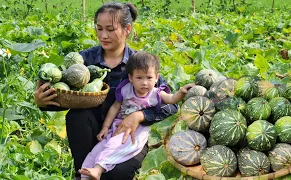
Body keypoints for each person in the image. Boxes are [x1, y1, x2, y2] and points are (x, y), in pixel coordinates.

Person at [34, 2, 179, 179]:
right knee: (76, 116)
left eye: (110, 29)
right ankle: (83, 174)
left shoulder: (141, 64)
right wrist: (44, 102)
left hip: (127, 136)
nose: (103, 35)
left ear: (127, 29)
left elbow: (171, 106)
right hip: (94, 131)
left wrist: (140, 116)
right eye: (99, 28)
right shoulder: (84, 60)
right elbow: (66, 94)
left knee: (115, 174)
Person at [78, 51, 194, 180]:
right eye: (139, 78)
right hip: (118, 126)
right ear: (131, 78)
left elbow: (172, 99)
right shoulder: (125, 89)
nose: (144, 83)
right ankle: (84, 174)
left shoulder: (156, 93)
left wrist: (182, 92)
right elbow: (115, 107)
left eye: (149, 78)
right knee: (98, 149)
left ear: (156, 77)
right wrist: (105, 127)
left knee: (114, 147)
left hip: (137, 131)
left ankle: (98, 169)